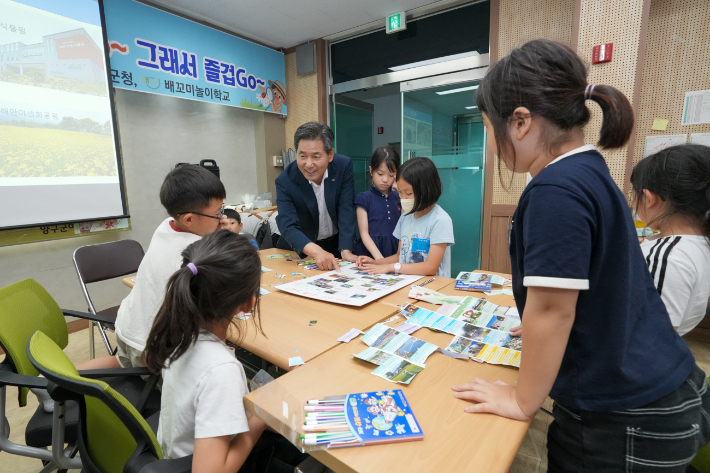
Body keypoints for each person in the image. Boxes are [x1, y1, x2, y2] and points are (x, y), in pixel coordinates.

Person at [450, 39, 710, 472]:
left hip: (624, 414)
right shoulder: (589, 169)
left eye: (487, 127)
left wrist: (520, 399)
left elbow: (553, 312)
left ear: (519, 122)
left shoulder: (555, 190)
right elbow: (593, 287)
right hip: (663, 386)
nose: (491, 144)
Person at [144, 231, 306, 471]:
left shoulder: (179, 332)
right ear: (249, 302)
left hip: (175, 454)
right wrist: (260, 418)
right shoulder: (221, 370)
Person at [632, 144, 710, 336]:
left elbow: (652, 337)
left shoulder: (666, 256)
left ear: (650, 198)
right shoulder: (699, 243)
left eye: (634, 195)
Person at [275, 122, 356, 270]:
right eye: (303, 156)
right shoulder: (285, 181)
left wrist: (346, 248)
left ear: (330, 154)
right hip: (301, 251)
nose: (308, 164)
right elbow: (287, 225)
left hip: (335, 245)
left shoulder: (343, 166)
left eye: (316, 156)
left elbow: (346, 207)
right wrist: (316, 251)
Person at [356, 157, 454, 277]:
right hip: (406, 284)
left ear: (426, 190)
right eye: (400, 193)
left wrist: (391, 267)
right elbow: (399, 256)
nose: (403, 198)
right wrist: (376, 263)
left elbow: (430, 267)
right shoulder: (405, 217)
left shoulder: (440, 220)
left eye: (408, 193)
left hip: (431, 288)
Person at [354, 146, 401, 259]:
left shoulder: (399, 196)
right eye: (380, 174)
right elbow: (364, 233)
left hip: (394, 251)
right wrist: (379, 259)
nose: (385, 179)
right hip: (371, 252)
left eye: (391, 175)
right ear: (371, 171)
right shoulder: (364, 198)